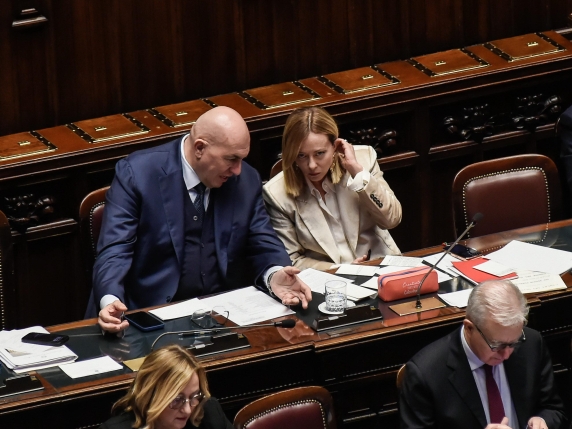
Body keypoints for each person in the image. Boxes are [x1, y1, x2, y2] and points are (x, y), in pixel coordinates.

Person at [90, 106, 312, 333]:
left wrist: (274, 274)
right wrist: (110, 300)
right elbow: (115, 249)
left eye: (241, 159)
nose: (237, 170)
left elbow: (262, 240)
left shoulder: (246, 180)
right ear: (199, 148)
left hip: (223, 317)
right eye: (231, 159)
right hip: (149, 317)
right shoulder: (138, 174)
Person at [399, 280, 567, 429]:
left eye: (513, 343)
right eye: (496, 345)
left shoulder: (531, 344)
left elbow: (555, 409)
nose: (506, 354)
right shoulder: (425, 374)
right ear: (469, 328)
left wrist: (542, 421)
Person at [262, 106, 401, 270]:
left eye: (319, 153)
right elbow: (293, 260)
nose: (311, 165)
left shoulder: (364, 159)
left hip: (382, 266)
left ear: (335, 146)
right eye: (301, 155)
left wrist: (357, 173)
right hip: (328, 279)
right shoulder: (276, 194)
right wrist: (341, 271)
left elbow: (391, 219)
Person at [99, 344, 232, 429]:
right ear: (151, 395)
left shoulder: (209, 415)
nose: (187, 410)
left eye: (194, 396)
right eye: (177, 399)